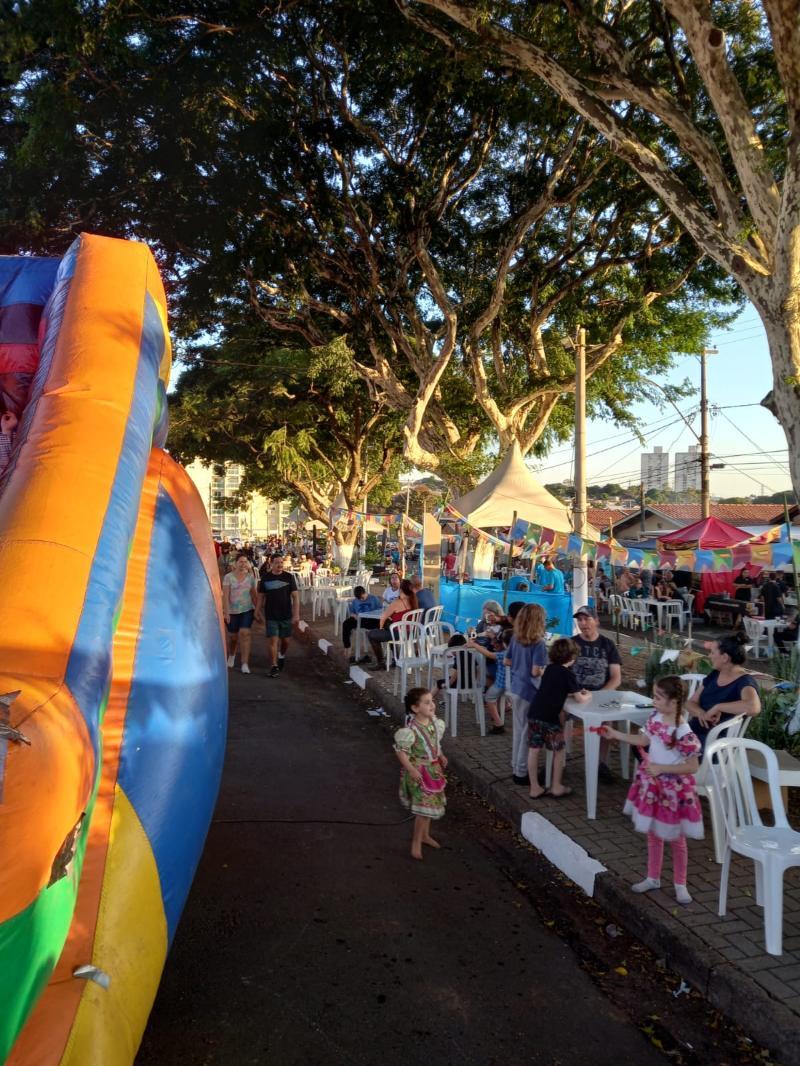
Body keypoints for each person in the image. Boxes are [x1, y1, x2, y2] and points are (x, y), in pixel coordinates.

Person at [601, 676, 703, 905]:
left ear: (674, 702)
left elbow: (693, 766)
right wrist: (615, 734)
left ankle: (680, 884)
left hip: (673, 792)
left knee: (677, 839)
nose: (653, 700)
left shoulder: (683, 731)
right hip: (653, 788)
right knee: (653, 834)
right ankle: (653, 877)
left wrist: (662, 768)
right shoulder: (655, 717)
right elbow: (643, 740)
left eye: (658, 697)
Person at [526, 638, 590, 799]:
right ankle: (556, 786)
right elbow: (580, 699)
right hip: (550, 718)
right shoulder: (568, 674)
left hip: (534, 714)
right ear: (572, 657)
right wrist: (588, 695)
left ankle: (534, 788)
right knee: (559, 750)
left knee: (533, 750)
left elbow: (554, 689)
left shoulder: (549, 669)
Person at [393, 687, 448, 860]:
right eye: (427, 702)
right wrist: (411, 769)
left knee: (429, 807)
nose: (432, 705)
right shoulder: (411, 730)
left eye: (432, 701)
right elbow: (401, 752)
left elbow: (434, 743)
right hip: (420, 773)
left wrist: (441, 755)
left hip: (433, 771)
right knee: (423, 811)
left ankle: (425, 835)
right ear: (415, 708)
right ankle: (416, 841)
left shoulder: (434, 723)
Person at [571, 605, 622, 783]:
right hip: (574, 696)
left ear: (597, 621)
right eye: (579, 620)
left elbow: (616, 678)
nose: (583, 623)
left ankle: (601, 763)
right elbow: (561, 671)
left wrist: (598, 695)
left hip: (600, 695)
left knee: (607, 721)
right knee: (556, 715)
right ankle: (557, 760)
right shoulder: (571, 643)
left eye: (587, 619)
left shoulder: (607, 645)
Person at [686, 633, 761, 751]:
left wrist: (719, 707)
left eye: (712, 653)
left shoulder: (744, 681)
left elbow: (753, 707)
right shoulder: (715, 674)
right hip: (693, 734)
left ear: (725, 657)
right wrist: (701, 713)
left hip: (716, 744)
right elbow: (691, 703)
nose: (709, 656)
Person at [504, 603, 549, 785]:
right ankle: (521, 772)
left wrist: (519, 665)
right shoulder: (539, 644)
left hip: (515, 688)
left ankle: (516, 765)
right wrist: (544, 670)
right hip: (530, 691)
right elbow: (535, 672)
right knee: (526, 734)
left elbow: (507, 661)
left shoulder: (516, 638)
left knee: (518, 730)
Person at [256, 554, 300, 678]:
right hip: (271, 615)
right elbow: (261, 597)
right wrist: (257, 611)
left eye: (281, 562)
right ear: (271, 564)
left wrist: (296, 614)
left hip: (286, 614)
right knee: (273, 640)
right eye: (276, 562)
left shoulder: (289, 577)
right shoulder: (265, 578)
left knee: (286, 641)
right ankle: (273, 666)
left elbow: (295, 597)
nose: (280, 565)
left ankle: (281, 654)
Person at [467, 627, 511, 733]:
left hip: (501, 685)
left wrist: (474, 645)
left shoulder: (503, 654)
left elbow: (489, 654)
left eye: (496, 642)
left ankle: (498, 724)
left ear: (504, 644)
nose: (492, 644)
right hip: (512, 684)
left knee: (489, 698)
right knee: (489, 681)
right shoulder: (517, 652)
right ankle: (500, 710)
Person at [366, 578, 417, 668]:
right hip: (411, 633)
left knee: (371, 634)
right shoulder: (414, 600)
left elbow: (383, 618)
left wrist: (381, 628)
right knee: (390, 629)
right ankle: (395, 659)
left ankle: (381, 662)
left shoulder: (397, 602)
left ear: (401, 590)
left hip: (399, 634)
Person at [222, 553, 259, 674]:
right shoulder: (228, 577)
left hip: (247, 610)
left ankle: (244, 663)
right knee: (233, 637)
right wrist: (226, 612)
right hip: (232, 611)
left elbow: (254, 595)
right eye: (241, 562)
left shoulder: (250, 577)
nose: (243, 564)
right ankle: (232, 655)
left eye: (245, 562)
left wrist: (258, 610)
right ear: (236, 563)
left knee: (245, 633)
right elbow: (225, 596)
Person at [342, 585, 382, 662]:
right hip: (360, 620)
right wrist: (354, 615)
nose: (361, 599)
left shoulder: (374, 598)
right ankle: (347, 647)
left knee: (381, 625)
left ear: (365, 593)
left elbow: (380, 610)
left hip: (372, 620)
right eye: (359, 599)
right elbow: (352, 612)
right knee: (346, 624)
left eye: (362, 598)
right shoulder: (355, 601)